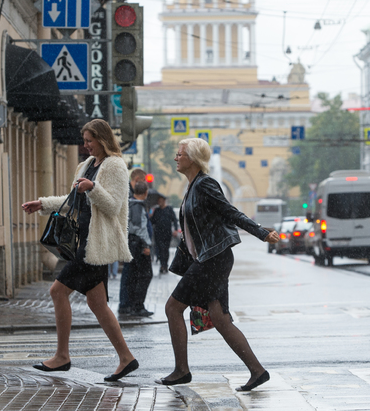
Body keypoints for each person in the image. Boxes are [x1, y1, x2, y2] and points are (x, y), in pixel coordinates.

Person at [156, 138, 280, 391]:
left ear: (192, 158)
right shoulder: (192, 187)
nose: (176, 158)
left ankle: (181, 370)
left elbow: (230, 211)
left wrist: (261, 232)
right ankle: (257, 371)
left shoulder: (205, 184)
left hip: (213, 259)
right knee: (220, 319)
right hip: (211, 258)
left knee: (172, 308)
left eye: (180, 154)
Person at [22, 119, 139, 382]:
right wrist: (41, 204)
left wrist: (93, 188)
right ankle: (126, 358)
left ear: (102, 139)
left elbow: (114, 206)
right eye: (84, 141)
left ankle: (62, 356)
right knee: (97, 304)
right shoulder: (86, 165)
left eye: (89, 141)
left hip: (95, 245)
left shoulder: (116, 166)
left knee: (57, 290)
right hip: (82, 241)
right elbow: (70, 202)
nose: (85, 146)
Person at [118, 169, 152, 315]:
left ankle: (128, 305)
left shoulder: (130, 202)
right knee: (143, 275)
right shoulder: (137, 205)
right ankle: (136, 305)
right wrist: (145, 245)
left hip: (131, 243)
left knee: (130, 274)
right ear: (145, 193)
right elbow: (138, 228)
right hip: (138, 245)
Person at [151, 195, 179, 274]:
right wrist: (151, 215)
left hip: (167, 233)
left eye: (161, 200)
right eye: (158, 201)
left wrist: (176, 230)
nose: (159, 202)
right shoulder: (157, 210)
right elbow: (153, 221)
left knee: (165, 250)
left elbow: (174, 220)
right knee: (159, 249)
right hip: (158, 233)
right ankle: (162, 265)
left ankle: (165, 265)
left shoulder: (169, 209)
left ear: (164, 201)